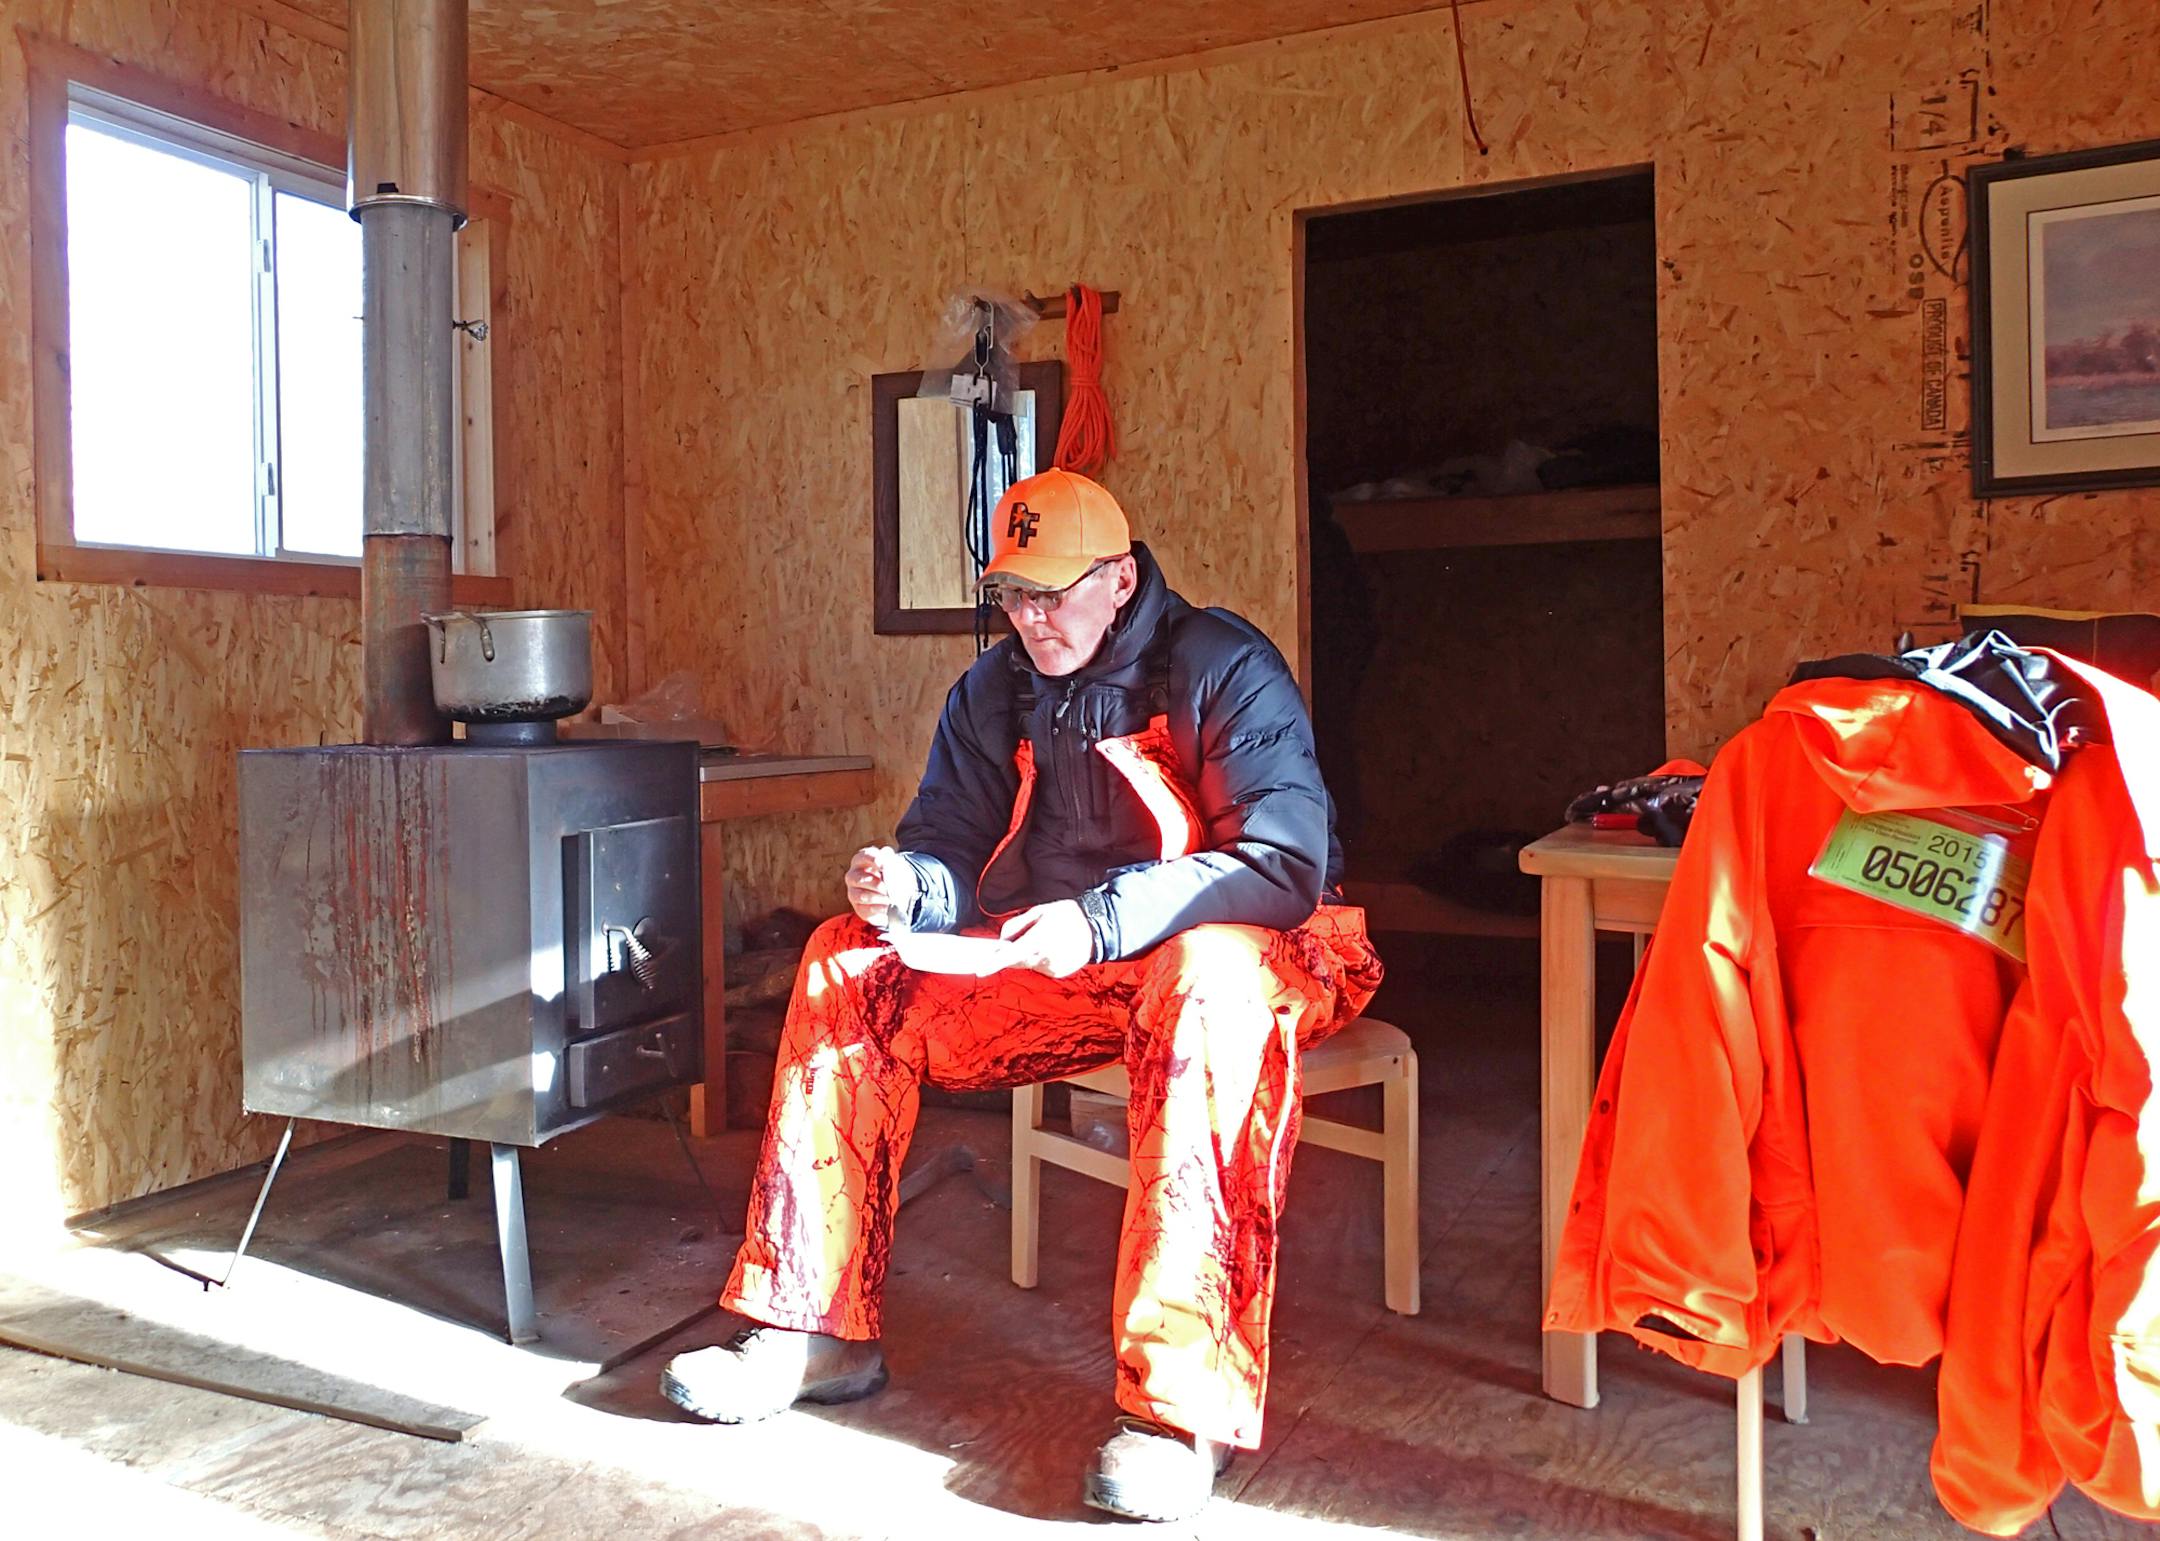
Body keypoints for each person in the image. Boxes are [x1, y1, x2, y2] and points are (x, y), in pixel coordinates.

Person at [661, 468, 1382, 1524]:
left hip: (1266, 952)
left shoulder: (1224, 665)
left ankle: (1179, 1417)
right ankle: (811, 1328)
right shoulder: (993, 691)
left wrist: (1100, 917)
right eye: (1012, 593)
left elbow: (1281, 864)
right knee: (847, 959)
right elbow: (949, 843)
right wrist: (910, 886)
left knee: (1206, 978)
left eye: (1054, 592)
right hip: (1072, 963)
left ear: (1121, 579)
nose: (1032, 618)